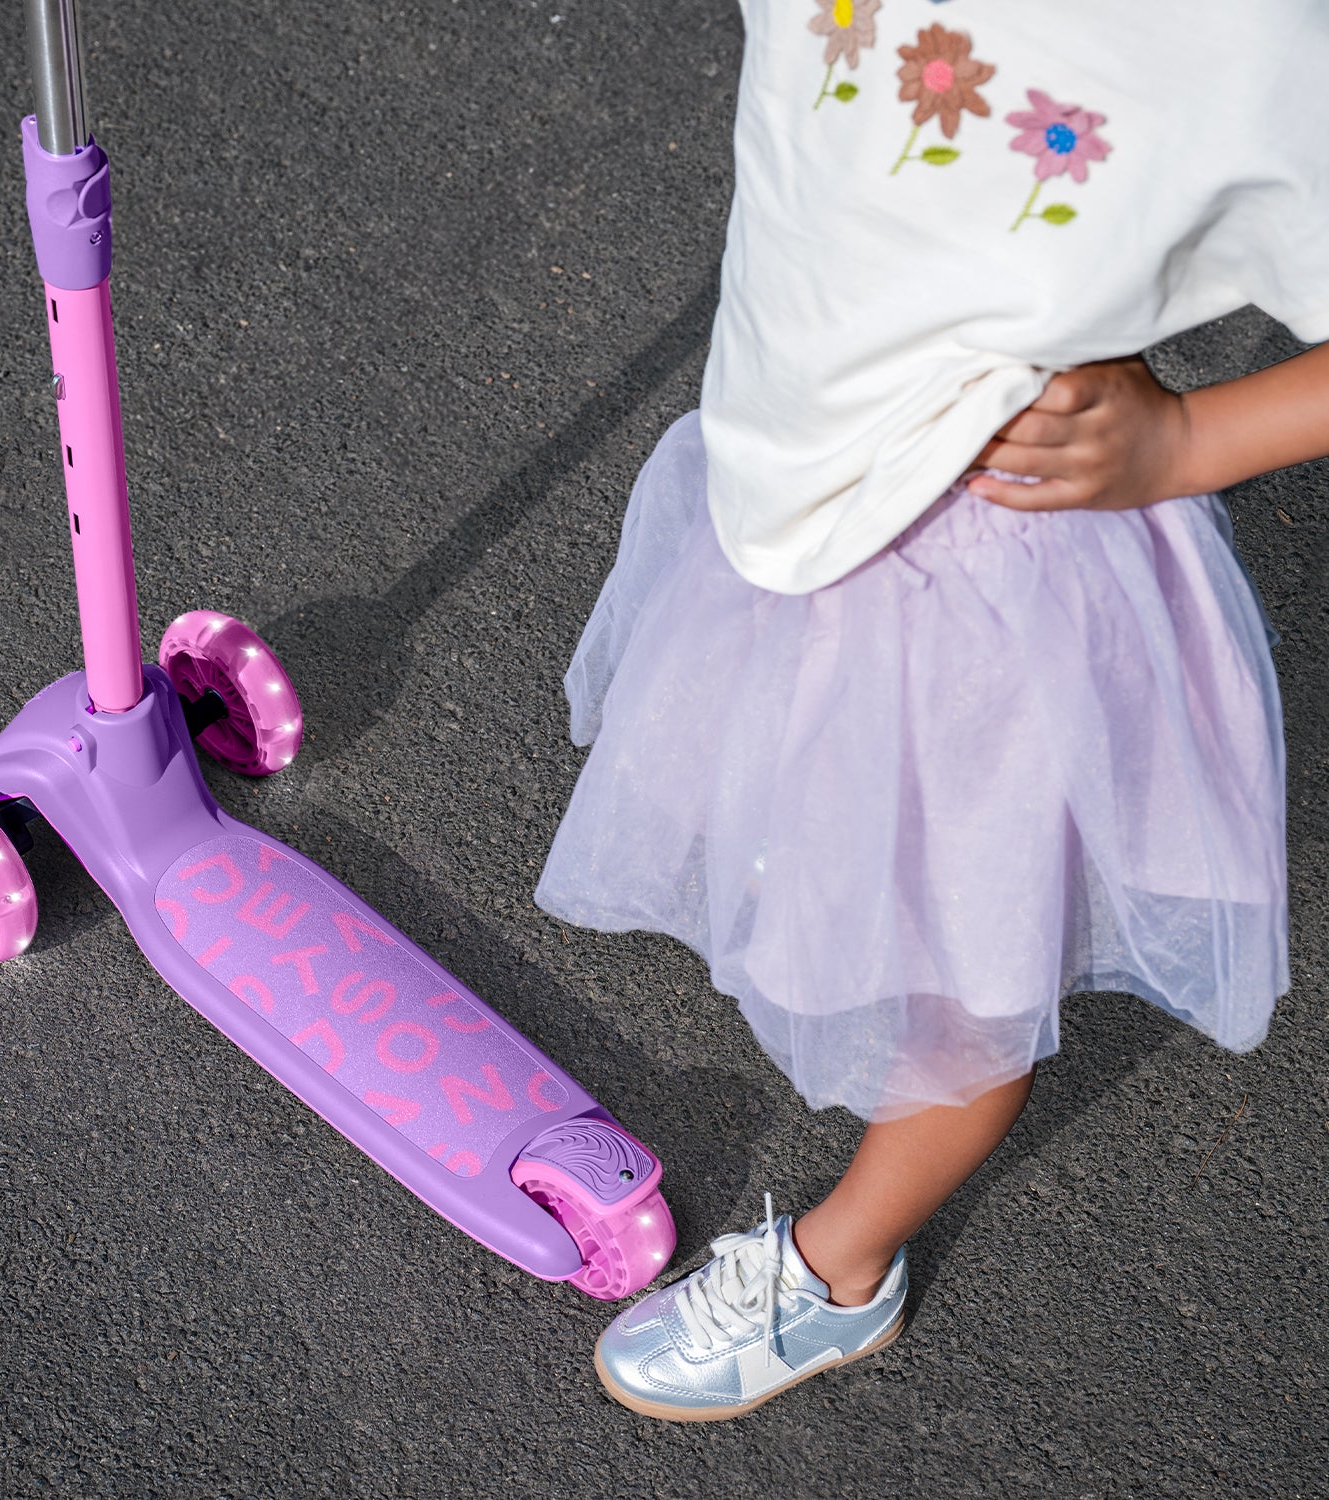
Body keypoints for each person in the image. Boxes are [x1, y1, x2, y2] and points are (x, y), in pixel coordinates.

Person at [535, 0, 1329, 1421]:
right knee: (825, 821)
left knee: (966, 980)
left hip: (990, 588)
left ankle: (843, 1268)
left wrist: (1196, 437)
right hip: (801, 458)